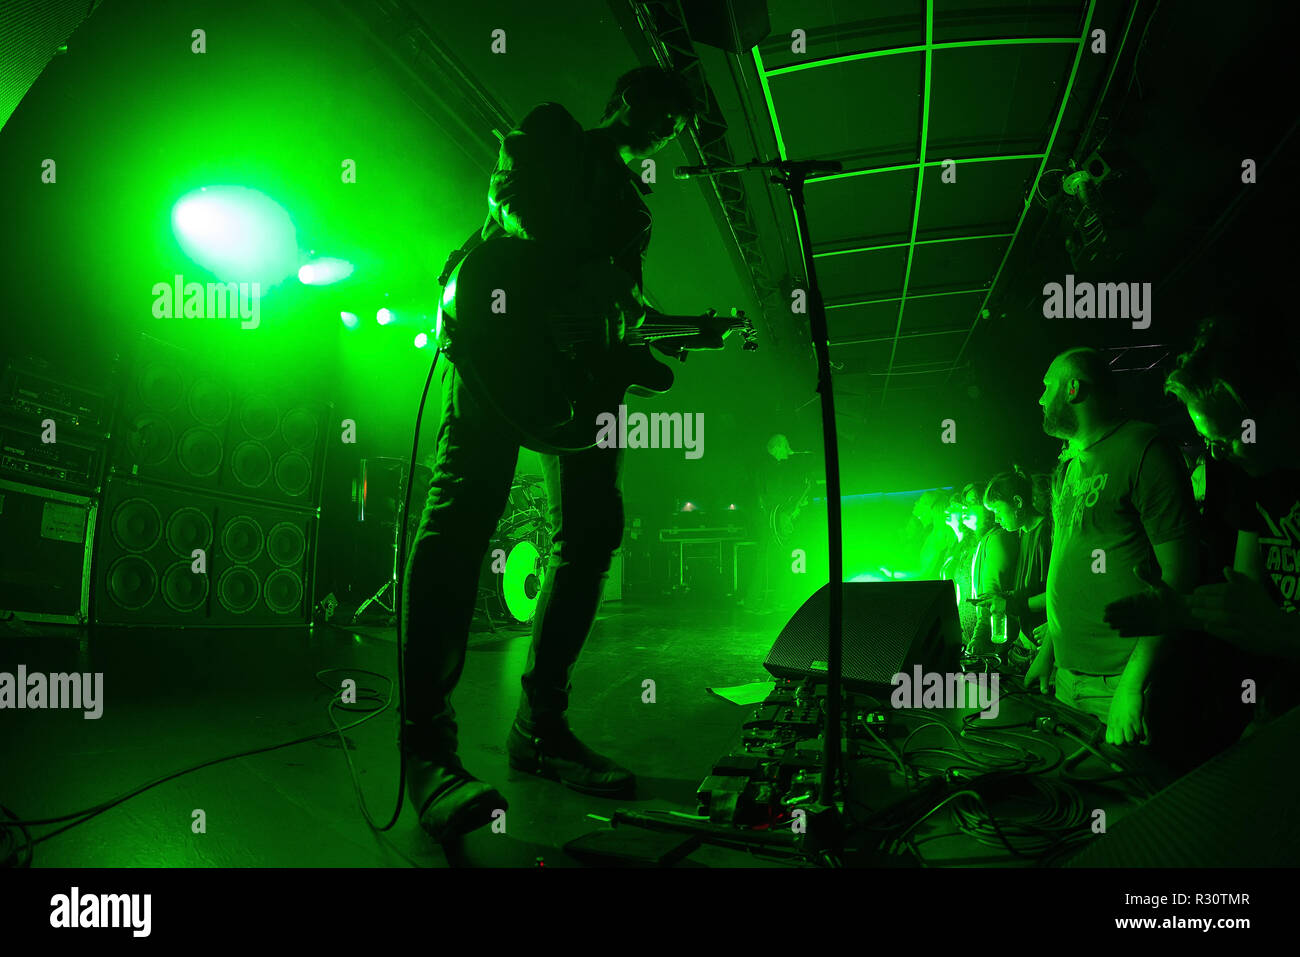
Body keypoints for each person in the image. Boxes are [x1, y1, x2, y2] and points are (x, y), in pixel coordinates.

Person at [401, 66, 704, 844]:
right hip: (503, 349)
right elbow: (515, 207)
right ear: (629, 99)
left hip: (577, 389)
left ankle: (541, 725)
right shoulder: (555, 129)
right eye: (667, 112)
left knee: (596, 530)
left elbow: (615, 310)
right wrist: (586, 289)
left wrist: (664, 334)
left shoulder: (635, 207)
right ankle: (428, 752)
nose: (671, 131)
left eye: (679, 125)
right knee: (463, 510)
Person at [1115, 315, 1300, 732]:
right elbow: (1247, 596)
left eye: (1224, 437)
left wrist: (1284, 632)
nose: (1214, 455)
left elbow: (1274, 626)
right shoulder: (1252, 476)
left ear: (1280, 405)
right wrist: (1181, 613)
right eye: (1207, 441)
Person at [1024, 348, 1200, 747]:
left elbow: (1181, 575)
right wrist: (1049, 652)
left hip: (1121, 682)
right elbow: (1066, 566)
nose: (1039, 397)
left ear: (1072, 389)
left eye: (1046, 386)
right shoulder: (1070, 466)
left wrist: (1132, 685)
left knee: (1137, 804)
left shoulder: (1143, 448)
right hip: (1068, 677)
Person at [980, 467, 1052, 670]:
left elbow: (1057, 593)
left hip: (1042, 650)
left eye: (998, 510)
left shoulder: (1047, 533)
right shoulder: (1023, 533)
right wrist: (1004, 597)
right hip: (1025, 645)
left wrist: (1010, 603)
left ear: (1018, 503)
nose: (996, 519)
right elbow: (1032, 587)